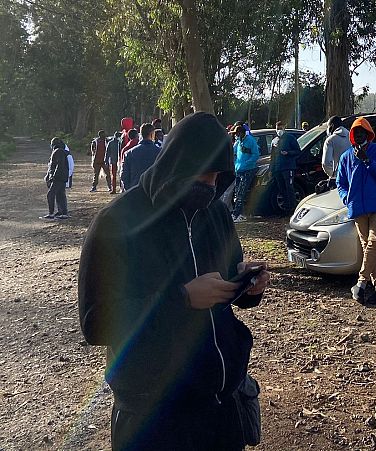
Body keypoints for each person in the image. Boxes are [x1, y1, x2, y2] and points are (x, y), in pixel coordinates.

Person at [78, 112, 268, 451]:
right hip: (154, 416)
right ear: (177, 163)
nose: (211, 185)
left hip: (222, 403)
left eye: (218, 176)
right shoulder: (116, 223)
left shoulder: (216, 213)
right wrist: (181, 298)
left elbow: (225, 285)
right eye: (204, 174)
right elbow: (95, 323)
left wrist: (247, 287)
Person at [336, 117, 376, 305]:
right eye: (356, 133)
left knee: (374, 243)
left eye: (362, 132)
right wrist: (346, 198)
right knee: (368, 245)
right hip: (358, 208)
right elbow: (341, 182)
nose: (359, 135)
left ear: (369, 134)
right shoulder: (346, 156)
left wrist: (367, 160)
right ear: (352, 136)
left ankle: (360, 283)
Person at [231, 125, 260, 222]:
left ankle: (238, 214)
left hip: (248, 170)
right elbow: (234, 153)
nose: (236, 135)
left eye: (237, 133)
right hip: (239, 170)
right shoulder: (239, 142)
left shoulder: (251, 141)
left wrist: (246, 163)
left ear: (242, 133)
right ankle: (240, 213)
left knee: (241, 192)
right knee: (237, 193)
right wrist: (236, 164)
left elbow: (256, 155)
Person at [120, 123, 160, 192]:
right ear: (152, 134)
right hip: (154, 192)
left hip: (135, 191)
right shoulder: (160, 152)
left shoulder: (129, 153)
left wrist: (129, 190)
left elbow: (124, 175)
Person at [271, 121, 301, 212]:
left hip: (288, 167)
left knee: (289, 187)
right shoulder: (274, 140)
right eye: (277, 129)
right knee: (281, 188)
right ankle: (286, 207)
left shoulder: (290, 138)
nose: (279, 130)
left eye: (280, 128)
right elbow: (272, 156)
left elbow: (298, 151)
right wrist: (271, 169)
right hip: (277, 168)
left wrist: (288, 153)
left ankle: (293, 208)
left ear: (284, 128)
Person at [41, 139, 69, 220]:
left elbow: (59, 165)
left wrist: (53, 176)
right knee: (60, 195)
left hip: (58, 177)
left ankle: (51, 213)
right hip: (62, 177)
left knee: (51, 194)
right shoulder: (61, 151)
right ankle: (63, 213)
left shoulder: (58, 151)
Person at [321, 116, 351, 189]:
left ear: (332, 126)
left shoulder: (330, 140)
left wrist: (334, 176)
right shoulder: (352, 137)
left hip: (338, 179)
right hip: (353, 176)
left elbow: (326, 163)